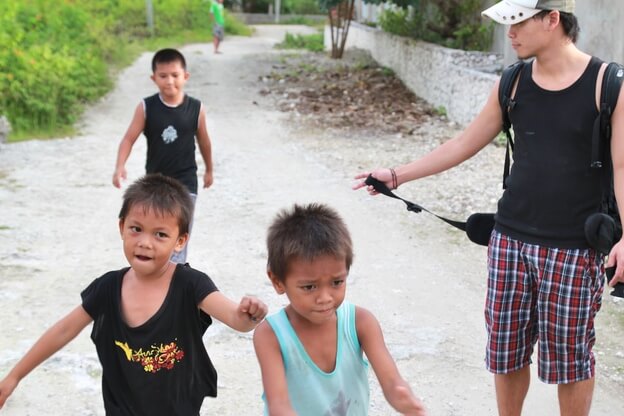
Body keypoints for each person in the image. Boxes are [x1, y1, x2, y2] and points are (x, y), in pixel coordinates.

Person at [354, 1, 624, 416]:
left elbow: (623, 166)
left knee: (571, 362)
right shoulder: (513, 82)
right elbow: (463, 143)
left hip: (575, 248)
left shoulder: (608, 84)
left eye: (517, 22)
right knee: (506, 352)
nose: (509, 33)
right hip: (509, 241)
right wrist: (398, 175)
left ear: (552, 20)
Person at [0, 174, 268, 415]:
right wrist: (14, 377)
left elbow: (236, 319)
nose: (145, 242)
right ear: (121, 228)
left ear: (180, 241)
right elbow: (63, 330)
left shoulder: (190, 284)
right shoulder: (107, 288)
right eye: (136, 228)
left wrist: (250, 313)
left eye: (160, 234)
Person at [253, 203, 428, 416]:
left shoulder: (361, 323)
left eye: (337, 282)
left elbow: (392, 383)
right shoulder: (271, 335)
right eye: (309, 287)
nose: (325, 298)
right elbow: (278, 405)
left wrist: (405, 399)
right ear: (278, 281)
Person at [112, 48, 213, 264]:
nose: (169, 81)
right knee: (158, 233)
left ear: (185, 76)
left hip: (186, 183)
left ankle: (178, 279)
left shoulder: (196, 109)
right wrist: (120, 166)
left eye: (175, 75)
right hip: (156, 185)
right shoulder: (146, 107)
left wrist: (209, 170)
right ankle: (155, 278)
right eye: (163, 76)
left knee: (178, 234)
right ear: (154, 78)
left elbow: (204, 141)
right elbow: (129, 138)